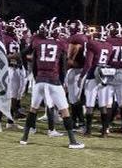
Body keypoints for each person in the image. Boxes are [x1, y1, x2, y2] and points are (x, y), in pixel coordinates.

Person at [20, 20, 84, 149]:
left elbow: (26, 56)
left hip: (39, 80)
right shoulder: (60, 44)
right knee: (65, 111)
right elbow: (63, 65)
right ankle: (72, 141)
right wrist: (63, 80)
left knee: (33, 109)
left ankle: (24, 138)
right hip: (53, 80)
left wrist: (35, 74)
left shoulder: (37, 42)